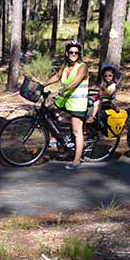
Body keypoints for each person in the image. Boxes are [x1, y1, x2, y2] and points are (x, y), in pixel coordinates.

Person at [44, 40, 89, 170]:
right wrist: (43, 85)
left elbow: (75, 83)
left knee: (77, 131)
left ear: (79, 54)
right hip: (66, 100)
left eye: (76, 52)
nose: (74, 54)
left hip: (77, 103)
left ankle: (76, 161)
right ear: (67, 53)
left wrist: (60, 91)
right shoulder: (66, 65)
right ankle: (59, 139)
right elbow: (57, 76)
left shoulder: (82, 66)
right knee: (50, 111)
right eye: (71, 52)